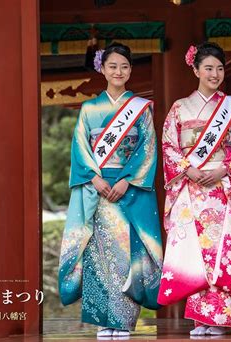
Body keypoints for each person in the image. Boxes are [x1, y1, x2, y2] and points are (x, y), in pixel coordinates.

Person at [58, 42, 163, 339]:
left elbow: (148, 148)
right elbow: (80, 147)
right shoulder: (89, 108)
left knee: (128, 251)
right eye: (113, 66)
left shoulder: (140, 108)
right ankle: (105, 319)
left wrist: (126, 180)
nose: (119, 71)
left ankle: (125, 320)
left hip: (127, 189)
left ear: (130, 70)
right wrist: (94, 178)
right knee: (98, 252)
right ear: (102, 69)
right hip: (99, 191)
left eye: (125, 66)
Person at [157, 42, 231, 336]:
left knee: (224, 249)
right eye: (208, 68)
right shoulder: (180, 107)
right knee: (196, 253)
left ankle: (222, 316)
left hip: (223, 189)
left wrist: (222, 169)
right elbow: (169, 145)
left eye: (219, 68)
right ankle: (200, 318)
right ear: (195, 70)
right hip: (192, 190)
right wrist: (189, 170)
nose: (214, 74)